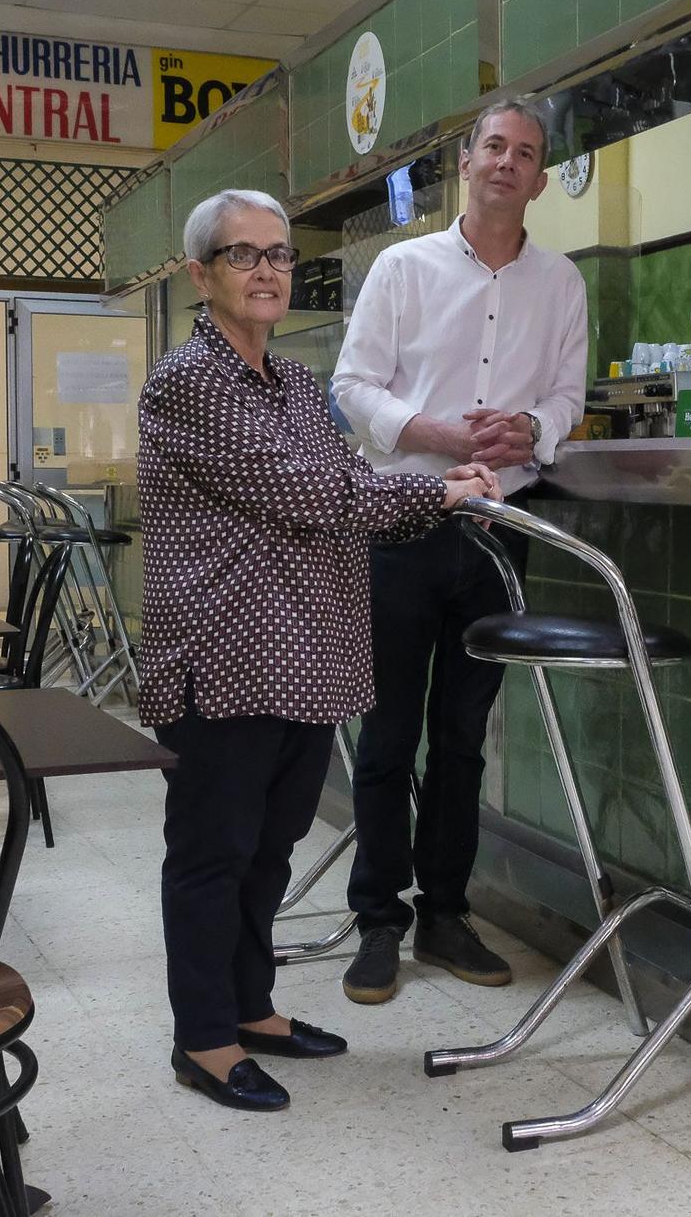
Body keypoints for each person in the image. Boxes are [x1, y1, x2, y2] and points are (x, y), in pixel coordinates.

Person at [138, 188, 499, 1111]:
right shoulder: (186, 382)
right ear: (200, 274)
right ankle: (204, 1038)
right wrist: (440, 495)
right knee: (213, 853)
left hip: (300, 655)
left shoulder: (298, 384)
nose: (267, 271)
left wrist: (426, 482)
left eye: (279, 256)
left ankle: (251, 1007)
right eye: (243, 255)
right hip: (223, 657)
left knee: (272, 847)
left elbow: (345, 478)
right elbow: (311, 495)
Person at [331, 99, 588, 1005]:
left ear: (540, 177)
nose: (507, 164)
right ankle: (378, 922)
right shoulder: (404, 268)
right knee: (389, 736)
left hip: (496, 536)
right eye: (493, 146)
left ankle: (445, 912)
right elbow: (352, 385)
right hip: (401, 523)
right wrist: (433, 430)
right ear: (467, 161)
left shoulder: (561, 282)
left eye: (525, 153)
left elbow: (568, 394)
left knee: (464, 739)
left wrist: (533, 430)